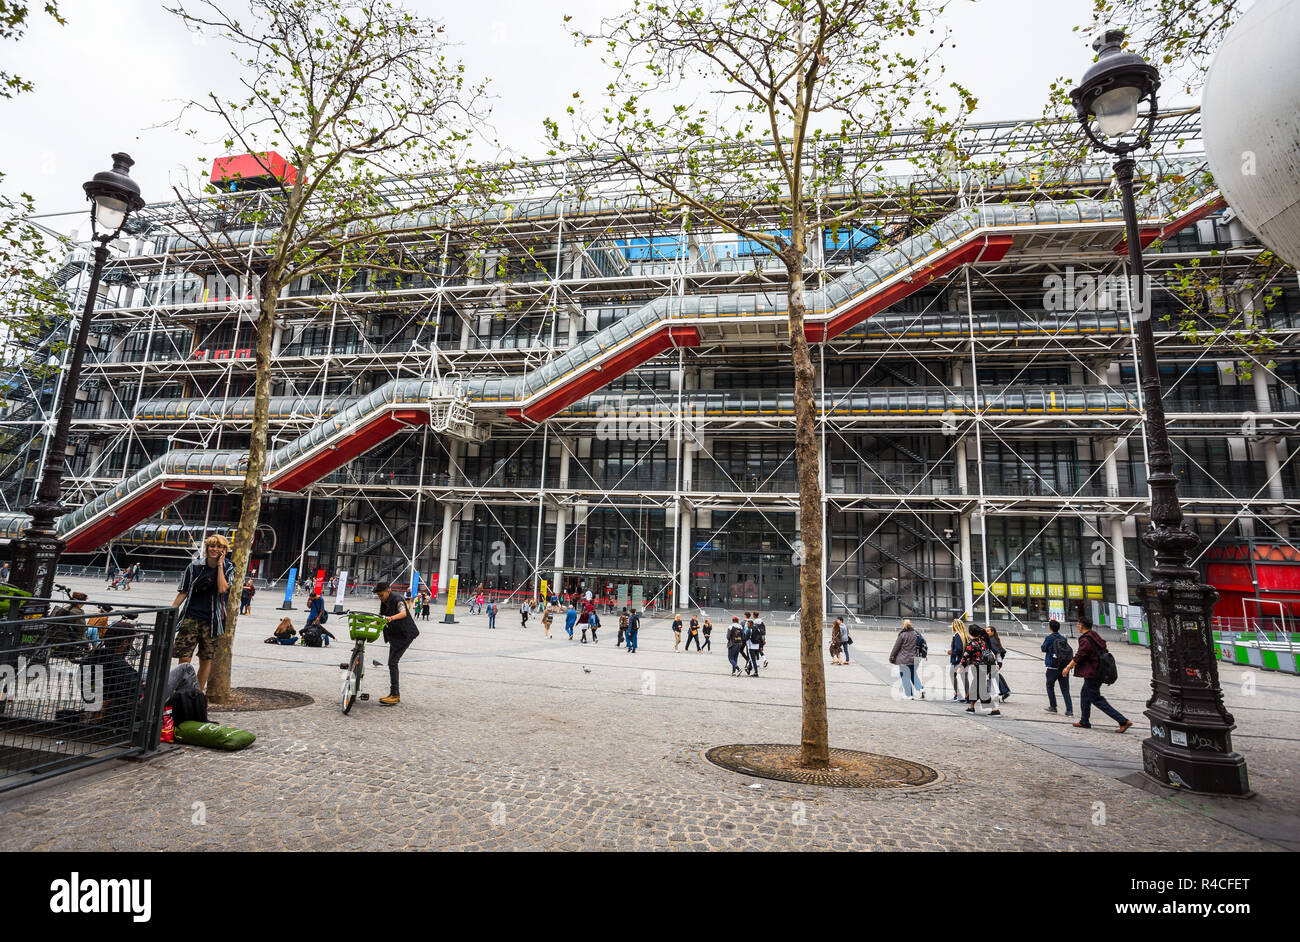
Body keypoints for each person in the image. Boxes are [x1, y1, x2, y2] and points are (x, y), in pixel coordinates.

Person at [171, 534, 236, 692]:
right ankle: (183, 692)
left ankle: (197, 695)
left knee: (206, 659)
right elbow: (183, 591)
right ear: (207, 548)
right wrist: (172, 610)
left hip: (212, 621)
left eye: (219, 547)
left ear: (224, 550)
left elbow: (222, 589)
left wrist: (220, 566)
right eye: (212, 546)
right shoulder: (194, 566)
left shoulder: (229, 567)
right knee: (185, 657)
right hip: (191, 617)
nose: (215, 549)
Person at [1061, 615, 1130, 732]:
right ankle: (1084, 721)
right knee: (1085, 694)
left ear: (1081, 625)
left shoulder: (1085, 639)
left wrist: (1068, 667)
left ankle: (1122, 721)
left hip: (1093, 672)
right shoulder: (1094, 635)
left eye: (1078, 624)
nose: (1077, 626)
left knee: (1096, 698)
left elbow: (1080, 655)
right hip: (1099, 670)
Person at [374, 581, 419, 706]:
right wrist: (370, 625)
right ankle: (393, 693)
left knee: (392, 662)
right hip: (396, 636)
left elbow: (404, 613)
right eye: (378, 595)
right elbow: (380, 617)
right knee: (392, 663)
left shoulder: (397, 598)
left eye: (381, 595)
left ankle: (395, 695)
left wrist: (391, 618)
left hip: (405, 634)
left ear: (388, 591)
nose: (380, 597)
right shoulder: (384, 601)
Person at [960, 625, 1002, 716]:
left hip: (978, 668)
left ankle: (995, 710)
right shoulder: (984, 642)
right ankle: (971, 707)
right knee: (975, 687)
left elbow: (966, 656)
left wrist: (961, 667)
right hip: (986, 667)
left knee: (981, 688)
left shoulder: (972, 644)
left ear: (970, 633)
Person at [1042, 619, 1074, 716]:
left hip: (1052, 666)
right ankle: (1069, 710)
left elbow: (1043, 648)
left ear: (1050, 627)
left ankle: (1053, 706)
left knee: (1050, 685)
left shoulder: (1049, 638)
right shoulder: (1063, 638)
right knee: (1065, 689)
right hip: (1063, 666)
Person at [889, 618, 925, 699]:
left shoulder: (902, 635)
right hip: (915, 659)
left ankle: (909, 695)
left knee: (905, 676)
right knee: (914, 674)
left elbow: (896, 647)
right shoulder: (916, 634)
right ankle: (921, 689)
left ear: (903, 625)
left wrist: (892, 657)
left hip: (904, 659)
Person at [986, 624, 1011, 701]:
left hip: (995, 662)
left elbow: (996, 652)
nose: (986, 632)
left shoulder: (991, 640)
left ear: (992, 632)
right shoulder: (993, 638)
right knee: (994, 676)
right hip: (997, 661)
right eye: (985, 631)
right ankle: (1004, 691)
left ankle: (1001, 693)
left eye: (988, 631)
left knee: (993, 678)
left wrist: (996, 663)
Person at [949, 618, 970, 701]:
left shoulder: (957, 635)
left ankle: (958, 694)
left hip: (957, 660)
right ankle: (967, 695)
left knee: (952, 675)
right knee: (964, 678)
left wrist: (952, 652)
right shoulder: (965, 635)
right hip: (965, 660)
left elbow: (958, 649)